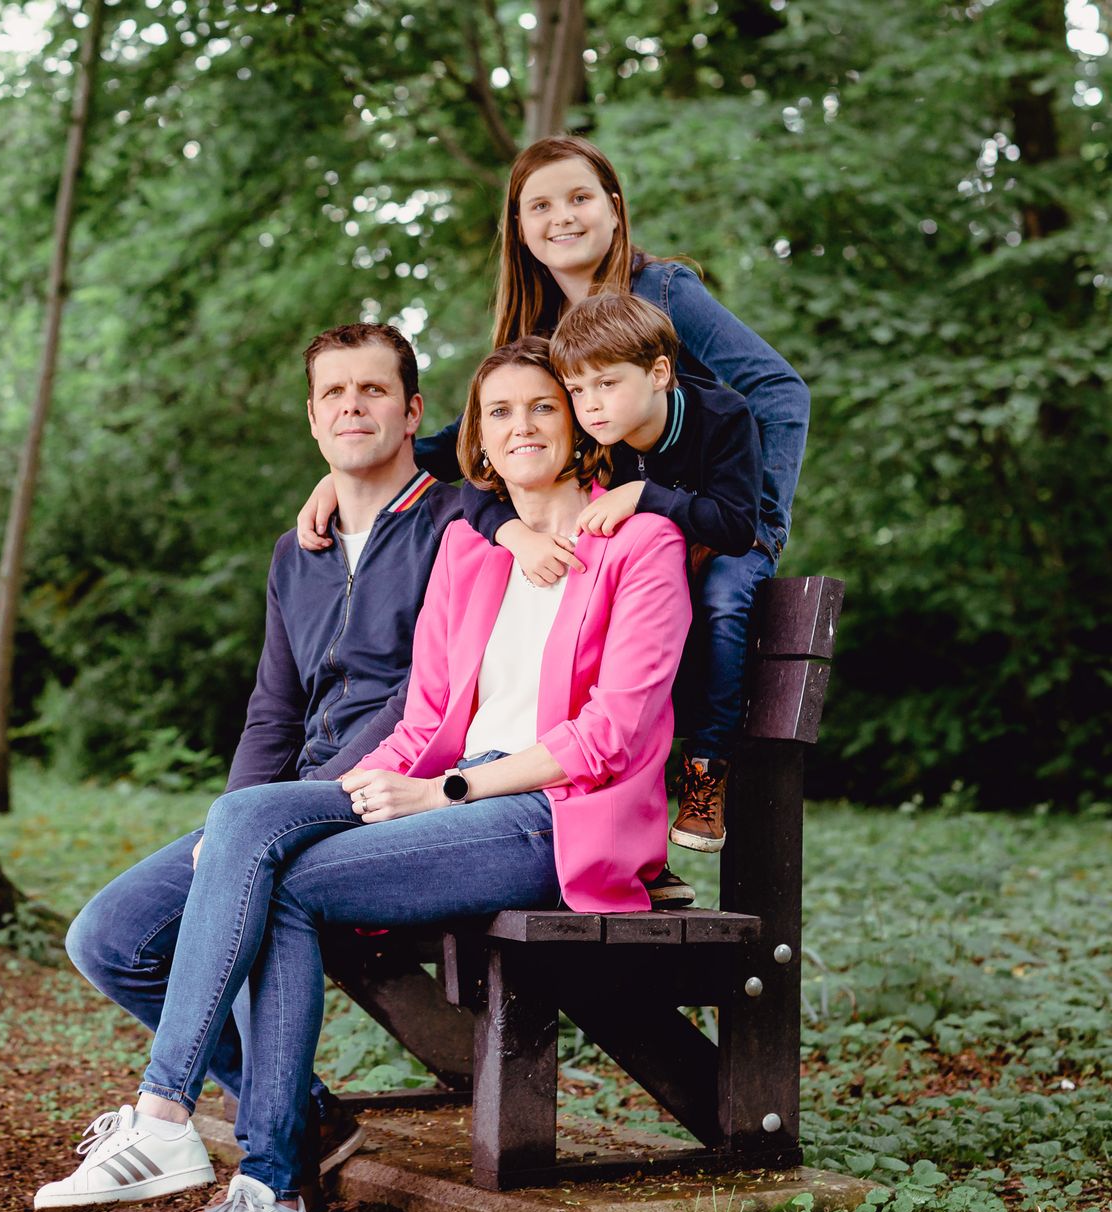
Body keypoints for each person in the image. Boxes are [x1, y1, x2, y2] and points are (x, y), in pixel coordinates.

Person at [35, 338, 691, 1212]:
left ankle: (220, 1152)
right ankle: (248, 1180)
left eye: (542, 407)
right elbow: (424, 718)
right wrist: (327, 801)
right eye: (499, 413)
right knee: (257, 837)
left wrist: (445, 789)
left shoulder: (640, 545)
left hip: (555, 811)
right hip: (450, 796)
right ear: (479, 439)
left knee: (277, 873)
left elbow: (613, 735)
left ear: (582, 424)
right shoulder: (472, 556)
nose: (521, 427)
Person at [297, 135, 809, 874]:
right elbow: (478, 439)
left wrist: (759, 521)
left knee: (723, 599)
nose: (562, 217)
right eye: (540, 205)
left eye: (579, 198)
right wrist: (356, 469)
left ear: (614, 209)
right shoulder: (542, 328)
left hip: (713, 517)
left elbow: (780, 391)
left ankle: (698, 781)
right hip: (627, 524)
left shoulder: (662, 292)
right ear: (518, 227)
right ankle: (629, 843)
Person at [49, 323, 457, 1212]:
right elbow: (273, 712)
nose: (354, 406)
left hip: (402, 793)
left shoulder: (458, 524)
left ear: (414, 410)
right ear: (313, 421)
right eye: (334, 395)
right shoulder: (296, 553)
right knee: (109, 936)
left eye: (374, 391)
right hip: (287, 803)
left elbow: (438, 699)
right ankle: (309, 1119)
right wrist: (230, 818)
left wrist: (262, 824)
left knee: (258, 885)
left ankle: (205, 1136)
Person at [547, 292, 762, 854]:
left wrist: (645, 494)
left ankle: (704, 770)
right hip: (654, 567)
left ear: (659, 372)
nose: (590, 405)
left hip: (723, 552)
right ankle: (623, 819)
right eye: (576, 390)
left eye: (607, 383)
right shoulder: (598, 439)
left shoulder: (722, 417)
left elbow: (737, 526)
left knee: (722, 602)